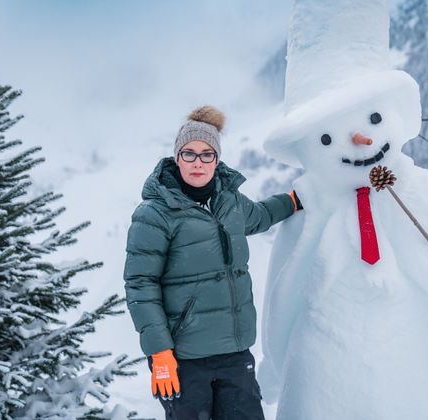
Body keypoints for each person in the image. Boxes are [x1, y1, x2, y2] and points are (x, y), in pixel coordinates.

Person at [123, 105, 303, 420]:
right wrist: (159, 351)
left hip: (235, 353)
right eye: (189, 154)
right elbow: (141, 284)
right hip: (184, 358)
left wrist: (296, 200)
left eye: (207, 154)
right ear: (176, 157)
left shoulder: (229, 201)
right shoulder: (154, 213)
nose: (198, 162)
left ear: (217, 159)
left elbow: (260, 216)